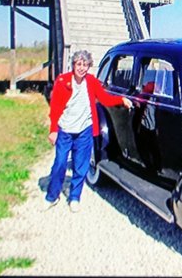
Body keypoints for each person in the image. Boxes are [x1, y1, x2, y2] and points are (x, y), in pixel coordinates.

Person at [44, 50, 133, 212]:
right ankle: (52, 195)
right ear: (73, 65)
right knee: (60, 163)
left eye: (85, 65)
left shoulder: (91, 82)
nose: (82, 68)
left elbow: (104, 98)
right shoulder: (63, 81)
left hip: (84, 131)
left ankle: (74, 197)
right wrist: (53, 130)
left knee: (81, 166)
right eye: (79, 64)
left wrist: (121, 100)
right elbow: (55, 107)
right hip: (65, 130)